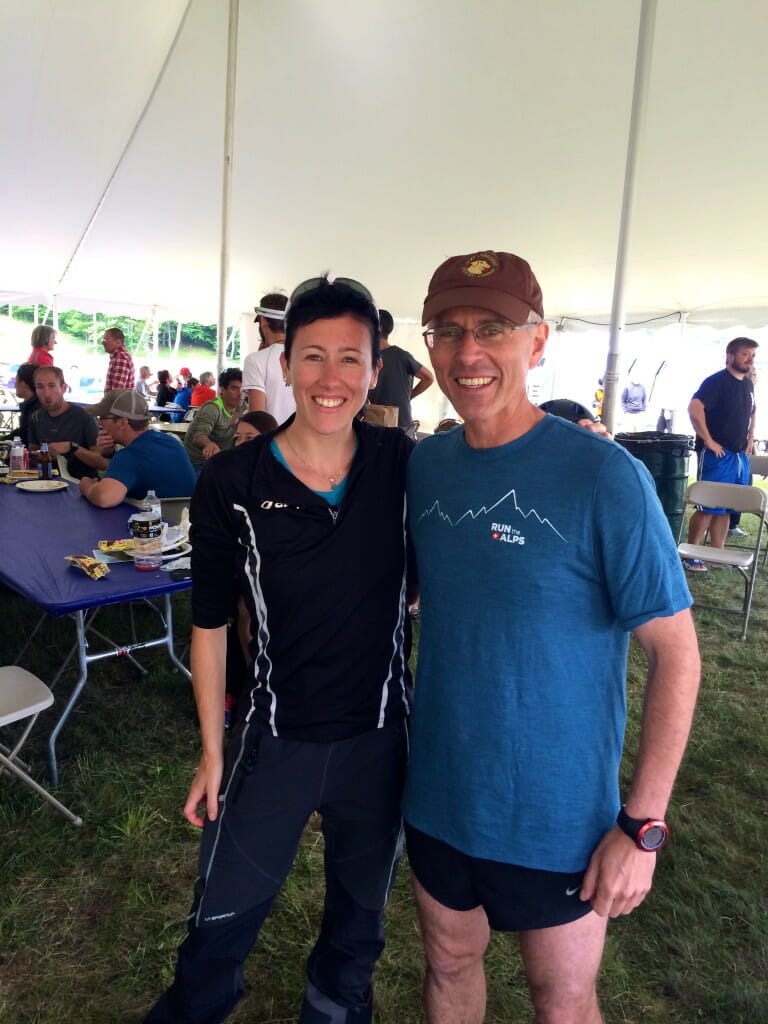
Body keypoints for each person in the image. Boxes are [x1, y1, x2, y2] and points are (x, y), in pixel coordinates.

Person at [402, 250, 701, 1024]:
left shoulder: (604, 476)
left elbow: (677, 654)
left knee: (562, 999)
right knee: (448, 965)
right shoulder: (426, 468)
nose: (468, 352)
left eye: (493, 329)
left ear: (536, 343)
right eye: (449, 330)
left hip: (558, 813)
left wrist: (642, 827)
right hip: (438, 791)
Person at [143, 276, 412, 1024]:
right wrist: (209, 749)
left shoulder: (402, 463)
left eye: (351, 359)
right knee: (219, 925)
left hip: (380, 741)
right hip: (273, 738)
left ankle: (332, 1011)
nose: (332, 379)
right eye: (314, 357)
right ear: (284, 361)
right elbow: (207, 623)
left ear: (375, 364)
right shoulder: (233, 478)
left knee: (357, 932)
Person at [683, 336, 758, 571]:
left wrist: (750, 437)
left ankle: (718, 554)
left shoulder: (747, 383)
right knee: (708, 505)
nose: (750, 359)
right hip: (717, 454)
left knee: (726, 506)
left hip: (738, 455)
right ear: (730, 356)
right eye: (745, 354)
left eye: (753, 355)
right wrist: (708, 440)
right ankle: (690, 553)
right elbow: (695, 408)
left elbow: (751, 412)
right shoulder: (716, 381)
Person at [79, 390, 196, 507]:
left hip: (156, 522)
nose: (99, 422)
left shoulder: (129, 456)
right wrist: (108, 453)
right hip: (187, 520)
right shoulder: (171, 442)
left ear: (122, 423)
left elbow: (104, 498)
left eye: (103, 417)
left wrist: (87, 486)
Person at [28, 365, 106, 479]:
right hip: (46, 482)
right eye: (40, 387)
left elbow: (102, 463)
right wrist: (39, 456)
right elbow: (33, 454)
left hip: (80, 484)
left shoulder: (84, 416)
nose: (46, 393)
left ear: (64, 388)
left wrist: (73, 448)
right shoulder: (35, 418)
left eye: (52, 386)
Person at [367, 309, 434, 429]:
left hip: (398, 426)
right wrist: (409, 396)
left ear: (379, 328)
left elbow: (429, 377)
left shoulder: (400, 356)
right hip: (375, 424)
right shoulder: (368, 357)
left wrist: (410, 396)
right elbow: (428, 378)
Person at [242, 292, 296, 424]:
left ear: (263, 321)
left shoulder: (255, 360)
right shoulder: (306, 355)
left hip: (273, 441)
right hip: (305, 441)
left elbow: (257, 418)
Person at [183, 368, 245, 475]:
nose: (240, 394)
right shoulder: (212, 408)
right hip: (198, 463)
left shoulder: (243, 407)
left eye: (242, 389)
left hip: (222, 460)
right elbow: (198, 435)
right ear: (223, 389)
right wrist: (208, 444)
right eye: (234, 389)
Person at [4, 363, 40, 446]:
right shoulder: (32, 405)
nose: (14, 385)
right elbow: (21, 432)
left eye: (16, 380)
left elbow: (25, 437)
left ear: (24, 383)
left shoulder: (36, 410)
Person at [102, 327, 135, 392]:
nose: (102, 343)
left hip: (118, 402)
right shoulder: (118, 357)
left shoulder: (121, 358)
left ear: (118, 342)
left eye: (105, 341)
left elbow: (116, 393)